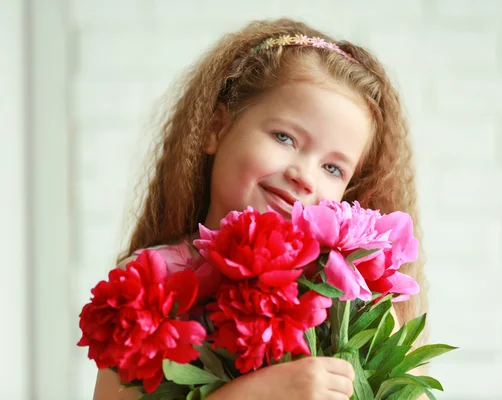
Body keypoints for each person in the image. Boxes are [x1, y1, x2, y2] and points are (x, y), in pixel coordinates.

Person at [92, 17, 428, 400]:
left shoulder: (348, 302)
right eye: (284, 137)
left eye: (333, 168)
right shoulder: (146, 283)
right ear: (215, 128)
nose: (305, 176)